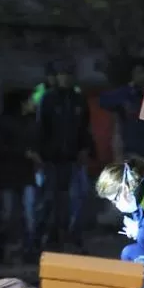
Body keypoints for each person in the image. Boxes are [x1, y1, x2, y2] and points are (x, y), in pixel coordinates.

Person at [37, 59, 95, 252]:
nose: (65, 78)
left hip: (73, 159)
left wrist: (86, 150)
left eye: (68, 75)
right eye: (62, 75)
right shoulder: (48, 99)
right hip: (52, 160)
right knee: (52, 200)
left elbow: (85, 128)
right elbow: (41, 129)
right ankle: (50, 240)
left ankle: (73, 239)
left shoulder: (78, 100)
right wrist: (42, 155)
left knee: (77, 200)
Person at [0, 89, 42, 265]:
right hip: (10, 174)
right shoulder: (6, 121)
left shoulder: (32, 122)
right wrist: (24, 153)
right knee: (7, 214)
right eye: (30, 100)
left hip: (27, 174)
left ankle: (29, 249)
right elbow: (0, 147)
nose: (34, 104)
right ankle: (2, 250)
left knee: (29, 213)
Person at [99, 62, 144, 170]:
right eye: (137, 73)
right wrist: (125, 97)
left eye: (143, 72)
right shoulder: (126, 94)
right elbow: (104, 101)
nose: (141, 76)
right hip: (134, 152)